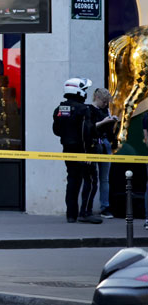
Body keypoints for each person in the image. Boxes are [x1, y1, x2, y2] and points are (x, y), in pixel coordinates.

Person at [52, 77, 102, 224]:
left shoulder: (60, 109)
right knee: (91, 180)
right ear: (78, 91)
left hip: (67, 149)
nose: (86, 93)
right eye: (85, 90)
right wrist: (88, 153)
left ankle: (71, 215)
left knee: (72, 181)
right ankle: (85, 213)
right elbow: (86, 132)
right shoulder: (83, 109)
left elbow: (56, 131)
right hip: (83, 150)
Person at [90, 88, 118, 218]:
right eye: (104, 101)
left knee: (104, 178)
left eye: (107, 102)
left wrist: (112, 122)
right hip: (94, 144)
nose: (106, 104)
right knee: (91, 178)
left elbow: (108, 130)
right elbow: (89, 127)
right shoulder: (89, 110)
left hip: (105, 142)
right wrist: (104, 121)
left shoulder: (105, 110)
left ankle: (104, 207)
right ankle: (88, 206)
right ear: (97, 98)